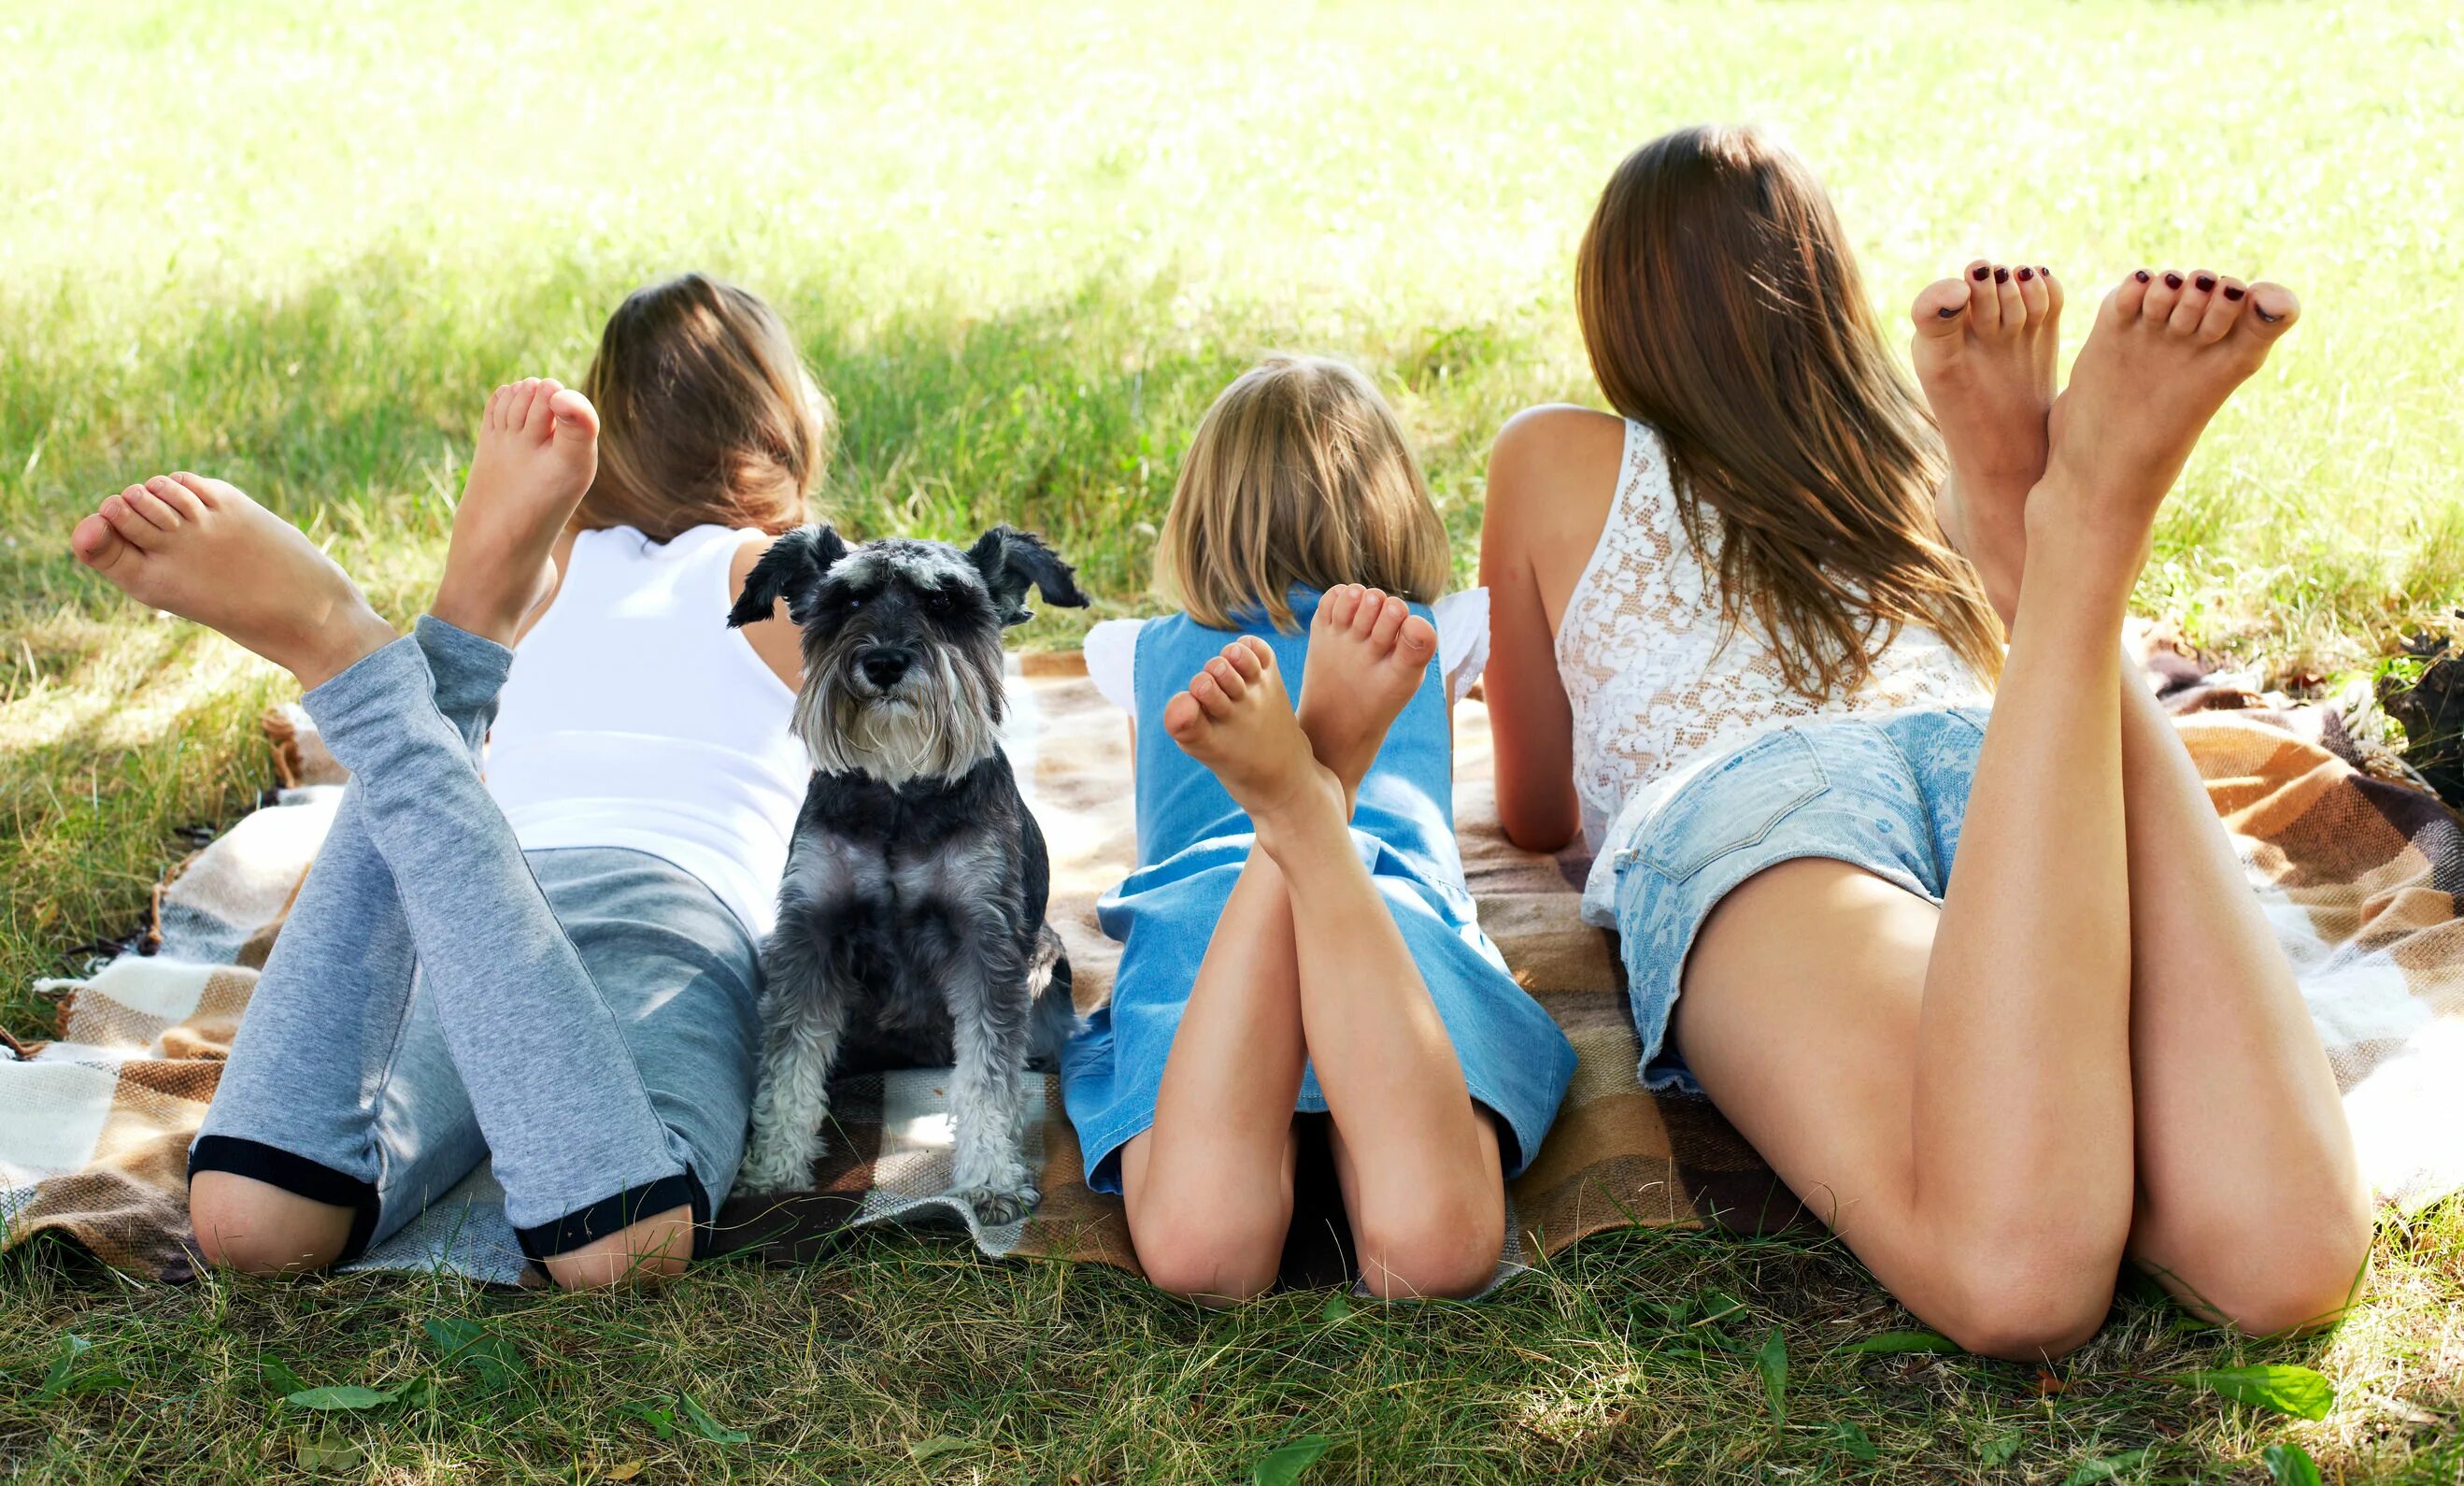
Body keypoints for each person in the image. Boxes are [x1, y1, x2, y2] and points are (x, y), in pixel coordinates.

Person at [1477, 125, 2369, 1357]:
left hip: (1756, 815)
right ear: (1828, 293)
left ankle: (2077, 533)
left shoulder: (1552, 455)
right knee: (2285, 1259)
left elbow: (1532, 808)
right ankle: (2046, 557)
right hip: (2004, 764)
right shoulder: (1901, 453)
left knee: (2019, 1275)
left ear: (1616, 310)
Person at [69, 273, 833, 1288]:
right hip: (669, 910)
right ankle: (373, 666)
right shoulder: (779, 572)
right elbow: (942, 748)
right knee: (623, 1241)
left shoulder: (558, 562)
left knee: (256, 1218)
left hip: (470, 901)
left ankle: (429, 664)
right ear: (786, 427)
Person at [1063, 355, 1576, 1302]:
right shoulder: (1434, 636)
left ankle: (1294, 809)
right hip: (1384, 918)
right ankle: (1317, 798)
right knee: (1432, 1258)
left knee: (1204, 1260)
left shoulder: (1140, 655)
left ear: (1196, 517)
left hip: (1205, 926)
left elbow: (1152, 825)